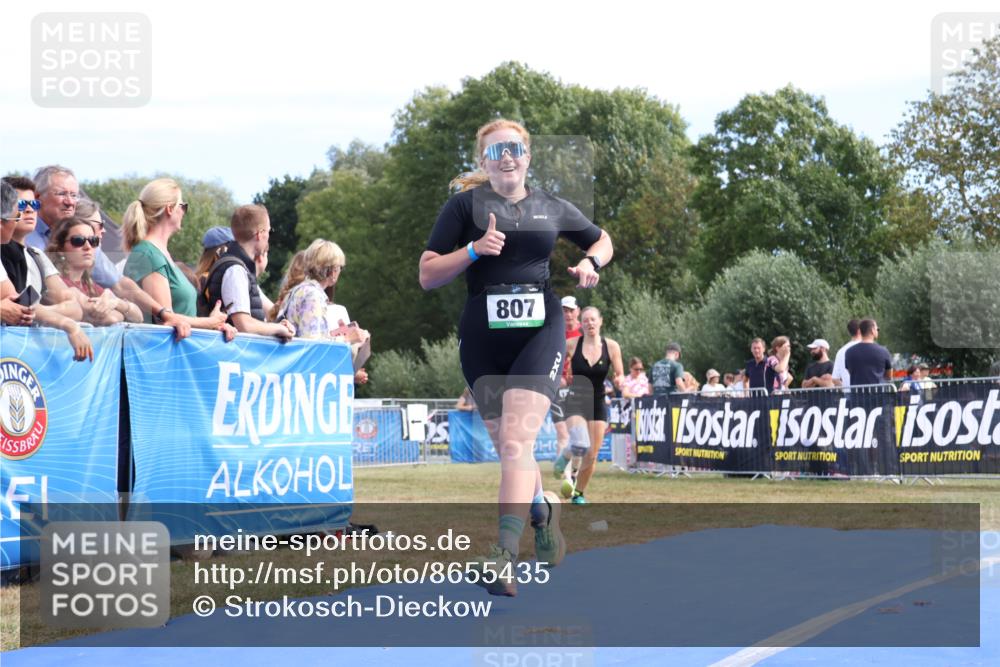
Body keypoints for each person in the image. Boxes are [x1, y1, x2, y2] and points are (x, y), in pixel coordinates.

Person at [419, 118, 612, 595]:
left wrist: (591, 262)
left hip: (539, 332)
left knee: (514, 442)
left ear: (527, 155)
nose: (506, 155)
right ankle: (544, 513)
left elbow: (601, 239)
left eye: (514, 147)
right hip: (483, 338)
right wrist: (473, 250)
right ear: (483, 161)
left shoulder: (550, 205)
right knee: (513, 451)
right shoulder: (464, 206)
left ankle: (503, 556)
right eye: (495, 149)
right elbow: (427, 274)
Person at [28, 166, 192, 340]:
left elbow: (122, 286)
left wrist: (163, 313)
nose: (70, 202)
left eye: (74, 195)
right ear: (38, 197)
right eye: (62, 194)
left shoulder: (85, 242)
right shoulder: (22, 236)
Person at [121, 178, 235, 339]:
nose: (184, 212)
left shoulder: (157, 254)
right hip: (159, 358)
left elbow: (175, 319)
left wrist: (213, 325)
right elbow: (166, 322)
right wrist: (210, 322)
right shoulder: (148, 254)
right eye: (183, 206)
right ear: (170, 209)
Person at [0, 180, 92, 360]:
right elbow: (20, 308)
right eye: (19, 206)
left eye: (33, 204)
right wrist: (66, 323)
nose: (27, 211)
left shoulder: (36, 255)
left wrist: (42, 313)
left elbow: (75, 308)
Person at [272, 240, 371, 384]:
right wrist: (348, 339)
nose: (339, 272)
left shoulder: (298, 291)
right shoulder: (312, 296)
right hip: (304, 379)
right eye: (339, 267)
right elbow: (312, 344)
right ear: (331, 270)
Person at [555, 307, 624, 505]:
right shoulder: (570, 344)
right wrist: (559, 379)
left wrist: (619, 380)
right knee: (580, 443)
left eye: (593, 320)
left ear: (600, 321)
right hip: (576, 398)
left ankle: (579, 493)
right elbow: (556, 368)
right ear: (581, 324)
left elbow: (619, 374)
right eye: (585, 321)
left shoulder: (611, 347)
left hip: (598, 401)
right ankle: (565, 457)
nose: (590, 323)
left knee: (591, 455)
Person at [202, 204, 294, 341]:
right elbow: (244, 325)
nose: (269, 237)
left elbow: (266, 314)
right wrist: (279, 329)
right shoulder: (235, 270)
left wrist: (280, 322)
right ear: (260, 234)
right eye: (269, 231)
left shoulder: (239, 268)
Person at [47, 216, 142, 325]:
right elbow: (110, 319)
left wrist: (116, 302)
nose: (88, 246)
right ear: (60, 249)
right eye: (78, 241)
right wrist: (117, 308)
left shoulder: (89, 285)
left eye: (93, 241)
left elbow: (139, 317)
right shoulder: (57, 282)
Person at [550, 295, 582, 495]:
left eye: (571, 310)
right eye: (564, 310)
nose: (568, 314)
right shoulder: (554, 332)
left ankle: (574, 474)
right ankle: (567, 479)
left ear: (577, 311)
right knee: (562, 434)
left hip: (579, 389)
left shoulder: (584, 332)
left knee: (579, 436)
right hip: (557, 387)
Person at [844, 319, 892, 385]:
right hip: (878, 393)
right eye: (877, 329)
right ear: (872, 330)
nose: (878, 331)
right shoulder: (883, 351)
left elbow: (851, 372)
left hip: (857, 394)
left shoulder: (849, 352)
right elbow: (888, 376)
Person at [832, 319, 862, 388]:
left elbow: (835, 379)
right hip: (867, 393)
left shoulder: (840, 351)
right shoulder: (868, 347)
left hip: (849, 394)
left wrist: (846, 388)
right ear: (860, 330)